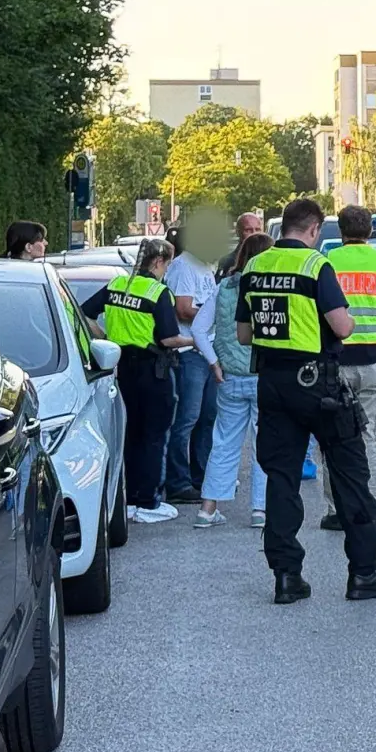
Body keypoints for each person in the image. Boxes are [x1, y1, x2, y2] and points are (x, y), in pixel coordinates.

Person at [236, 198, 376, 605]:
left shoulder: (254, 266)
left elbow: (244, 335)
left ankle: (286, 576)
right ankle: (364, 573)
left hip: (273, 382)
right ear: (313, 230)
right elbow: (342, 326)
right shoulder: (315, 266)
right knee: (350, 472)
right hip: (318, 383)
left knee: (281, 478)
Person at [79, 238, 193, 524]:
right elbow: (168, 338)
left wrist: (103, 338)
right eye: (167, 264)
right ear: (158, 262)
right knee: (154, 436)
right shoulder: (158, 291)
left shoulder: (117, 285)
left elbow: (83, 313)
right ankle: (148, 500)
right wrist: (196, 341)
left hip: (121, 368)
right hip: (154, 371)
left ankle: (127, 499)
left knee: (128, 434)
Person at [318, 205, 376, 531]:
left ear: (340, 231)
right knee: (371, 436)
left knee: (335, 438)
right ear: (370, 231)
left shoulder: (325, 263)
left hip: (335, 362)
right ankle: (373, 506)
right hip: (375, 362)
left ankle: (335, 510)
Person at [195, 233, 274, 529]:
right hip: (263, 376)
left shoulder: (224, 287)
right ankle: (260, 511)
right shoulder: (268, 288)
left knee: (224, 442)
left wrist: (214, 363)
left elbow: (200, 330)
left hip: (229, 377)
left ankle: (207, 508)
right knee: (263, 444)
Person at [162, 226, 219, 504]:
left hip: (207, 351)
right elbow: (183, 308)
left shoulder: (204, 266)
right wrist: (216, 315)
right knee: (187, 419)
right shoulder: (184, 267)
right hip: (189, 352)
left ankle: (201, 476)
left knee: (207, 418)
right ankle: (178, 483)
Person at [216, 212, 264, 279]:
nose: (254, 234)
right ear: (238, 232)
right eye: (248, 230)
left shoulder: (268, 259)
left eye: (258, 229)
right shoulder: (227, 262)